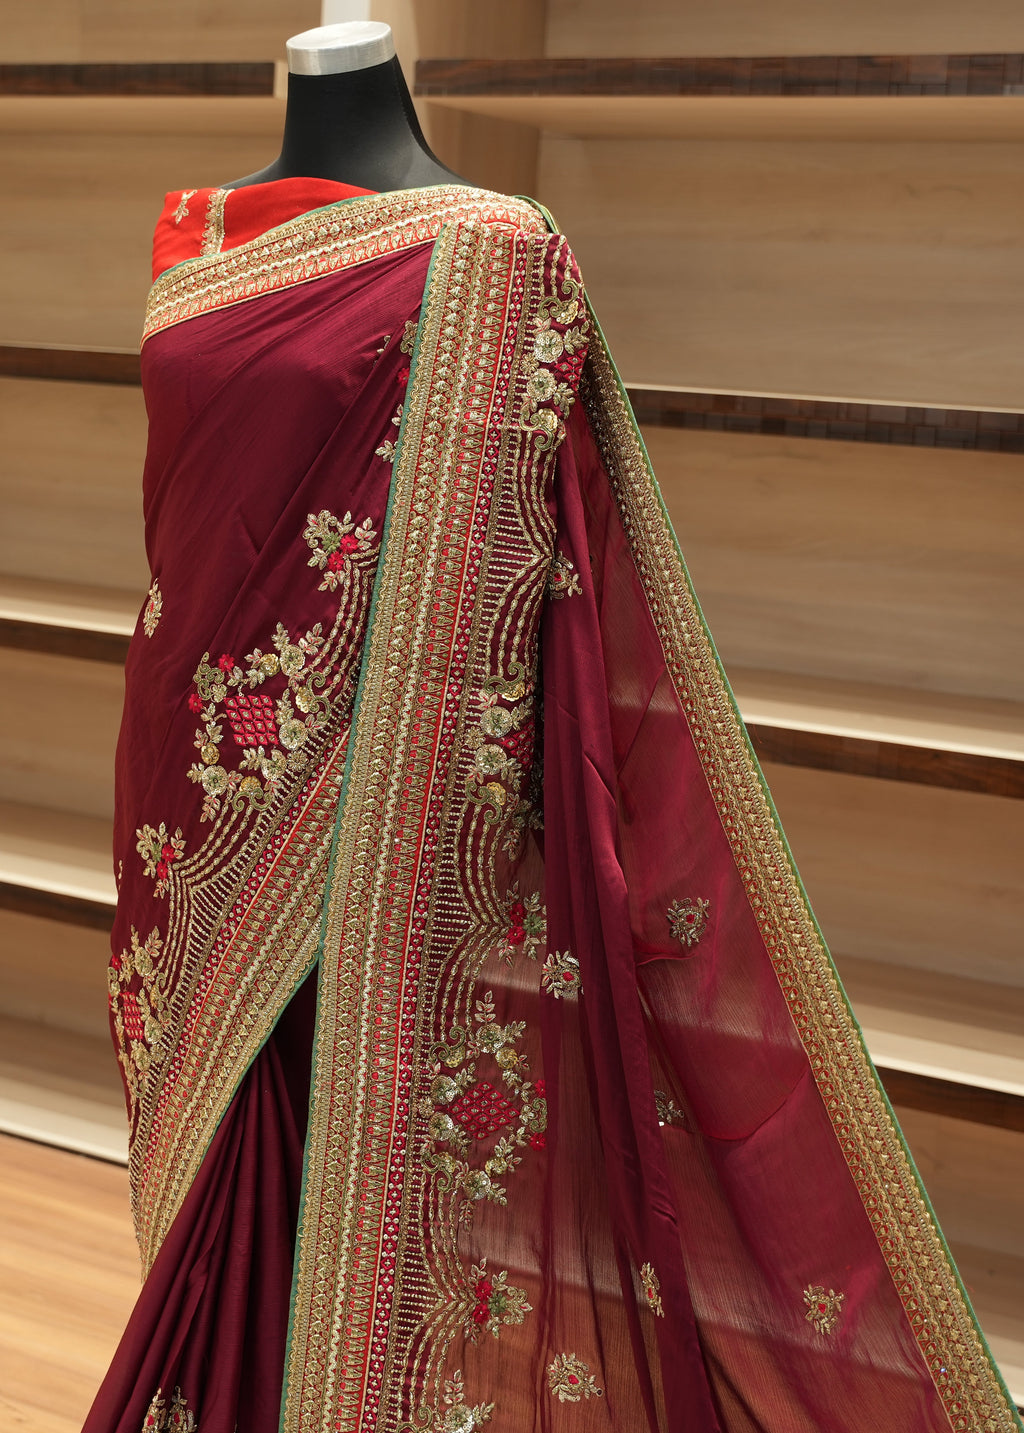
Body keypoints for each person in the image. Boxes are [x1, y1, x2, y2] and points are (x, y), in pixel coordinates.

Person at [85, 23, 1020, 1433]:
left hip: (359, 802)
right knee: (204, 1155)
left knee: (317, 1154)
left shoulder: (495, 252)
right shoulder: (194, 238)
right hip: (184, 794)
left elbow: (536, 544)